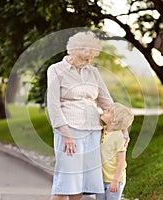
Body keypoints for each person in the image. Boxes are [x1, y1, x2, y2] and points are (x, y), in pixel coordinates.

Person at [47, 31, 127, 200]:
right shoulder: (55, 70)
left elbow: (107, 101)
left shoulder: (93, 72)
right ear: (74, 52)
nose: (89, 61)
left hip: (93, 131)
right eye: (85, 58)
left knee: (81, 184)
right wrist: (66, 134)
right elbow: (53, 105)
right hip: (70, 130)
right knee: (65, 182)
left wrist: (122, 128)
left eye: (91, 58)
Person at [96, 103, 134, 200]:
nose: (104, 110)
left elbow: (121, 161)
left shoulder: (119, 137)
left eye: (108, 111)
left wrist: (115, 181)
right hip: (101, 179)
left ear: (113, 121)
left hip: (114, 180)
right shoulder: (103, 130)